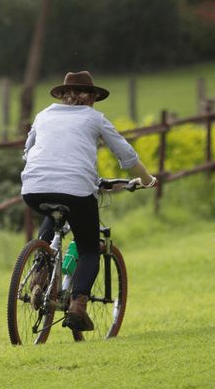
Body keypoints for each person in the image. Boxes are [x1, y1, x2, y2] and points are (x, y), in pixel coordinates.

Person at [21, 70, 157, 332]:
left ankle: (39, 268)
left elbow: (28, 152)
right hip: (76, 189)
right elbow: (127, 157)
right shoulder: (95, 118)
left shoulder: (43, 115)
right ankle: (77, 307)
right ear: (92, 98)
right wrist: (148, 180)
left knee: (53, 213)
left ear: (62, 96)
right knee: (89, 248)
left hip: (33, 188)